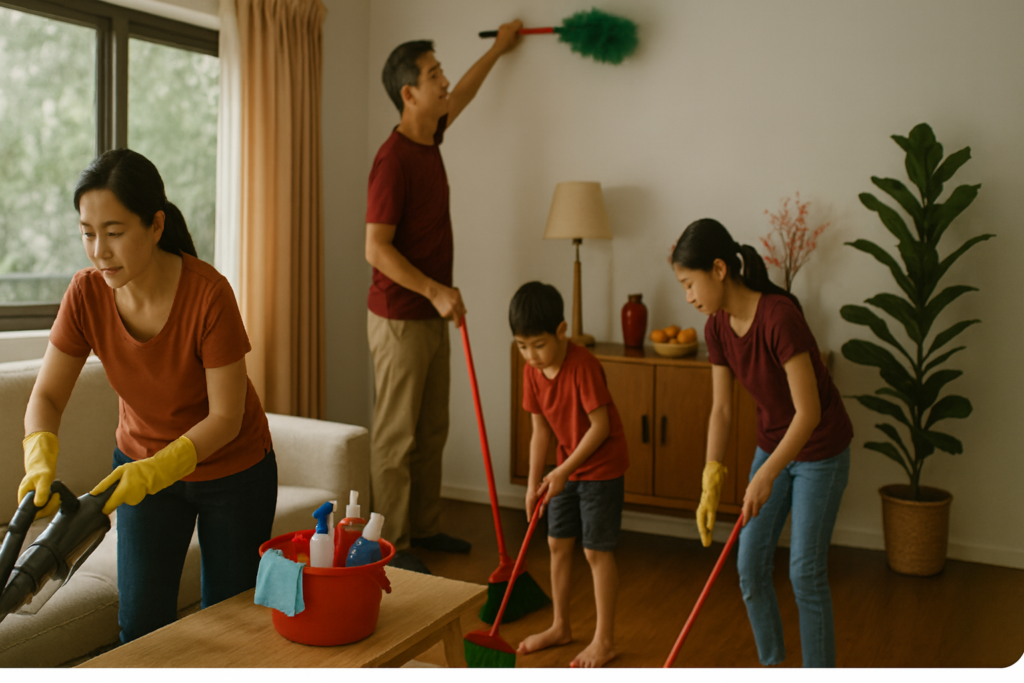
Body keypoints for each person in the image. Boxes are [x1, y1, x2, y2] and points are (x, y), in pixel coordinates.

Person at [18, 149, 276, 644]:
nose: (99, 251)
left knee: (230, 625)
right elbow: (47, 395)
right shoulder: (86, 294)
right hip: (140, 473)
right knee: (140, 628)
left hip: (233, 472)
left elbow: (227, 415)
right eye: (87, 233)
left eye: (114, 233)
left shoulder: (208, 294)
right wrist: (38, 458)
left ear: (156, 226)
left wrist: (157, 468)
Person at [364, 21, 522, 574]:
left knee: (432, 427)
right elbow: (376, 249)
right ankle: (392, 543)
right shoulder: (393, 159)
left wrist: (499, 50)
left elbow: (467, 92)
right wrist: (435, 291)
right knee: (396, 435)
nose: (445, 81)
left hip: (431, 310)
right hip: (401, 316)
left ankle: (425, 526)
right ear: (409, 94)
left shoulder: (431, 135)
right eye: (434, 75)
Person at [670, 218, 853, 667]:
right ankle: (773, 667)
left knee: (805, 573)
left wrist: (765, 475)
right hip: (773, 444)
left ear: (717, 269)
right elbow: (722, 410)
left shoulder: (778, 317)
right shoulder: (717, 328)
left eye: (688, 283)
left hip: (821, 450)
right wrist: (711, 476)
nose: (687, 296)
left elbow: (808, 414)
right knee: (749, 567)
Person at [509, 282, 630, 668]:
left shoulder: (583, 365)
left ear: (562, 331)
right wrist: (532, 485)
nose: (531, 355)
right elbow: (540, 430)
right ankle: (560, 626)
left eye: (539, 344)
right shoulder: (533, 371)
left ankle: (604, 640)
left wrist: (562, 470)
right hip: (565, 468)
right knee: (558, 544)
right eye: (522, 346)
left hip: (600, 467)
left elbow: (600, 427)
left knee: (595, 550)